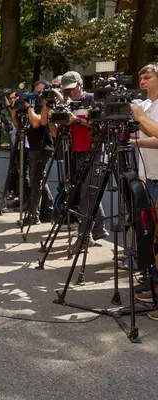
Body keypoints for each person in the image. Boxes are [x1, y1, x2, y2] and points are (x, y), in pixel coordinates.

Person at [61, 71, 109, 244]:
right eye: (68, 90)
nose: (72, 93)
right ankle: (98, 229)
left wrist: (76, 120)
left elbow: (99, 125)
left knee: (86, 193)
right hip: (77, 150)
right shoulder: (68, 102)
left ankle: (85, 235)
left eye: (74, 88)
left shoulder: (92, 98)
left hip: (95, 150)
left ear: (81, 84)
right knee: (89, 190)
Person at [130, 64, 158, 312]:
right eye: (140, 76)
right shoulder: (146, 106)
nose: (143, 78)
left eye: (148, 75)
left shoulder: (147, 110)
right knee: (150, 234)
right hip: (147, 177)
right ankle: (152, 280)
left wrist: (134, 135)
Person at [14, 81, 54, 225]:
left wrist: (28, 106)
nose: (37, 95)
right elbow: (18, 125)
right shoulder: (34, 105)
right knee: (40, 180)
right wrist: (13, 110)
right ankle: (48, 212)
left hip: (43, 147)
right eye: (36, 92)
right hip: (34, 147)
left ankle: (33, 215)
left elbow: (37, 123)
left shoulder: (46, 105)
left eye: (40, 91)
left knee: (36, 181)